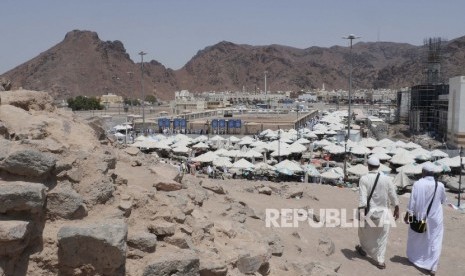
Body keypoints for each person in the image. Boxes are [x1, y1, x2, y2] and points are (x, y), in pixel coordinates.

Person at [356, 156, 399, 269]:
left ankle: (364, 249)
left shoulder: (364, 179)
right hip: (384, 212)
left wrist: (361, 212)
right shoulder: (387, 179)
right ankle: (380, 261)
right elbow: (392, 194)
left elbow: (362, 198)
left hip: (369, 212)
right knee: (382, 237)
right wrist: (397, 207)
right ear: (379, 166)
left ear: (368, 166)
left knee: (363, 232)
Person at [404, 164, 446, 276]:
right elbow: (443, 200)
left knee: (417, 237)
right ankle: (433, 267)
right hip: (435, 219)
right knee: (435, 240)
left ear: (423, 172)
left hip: (420, 218)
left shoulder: (418, 184)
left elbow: (412, 201)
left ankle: (415, 258)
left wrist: (408, 214)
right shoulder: (440, 185)